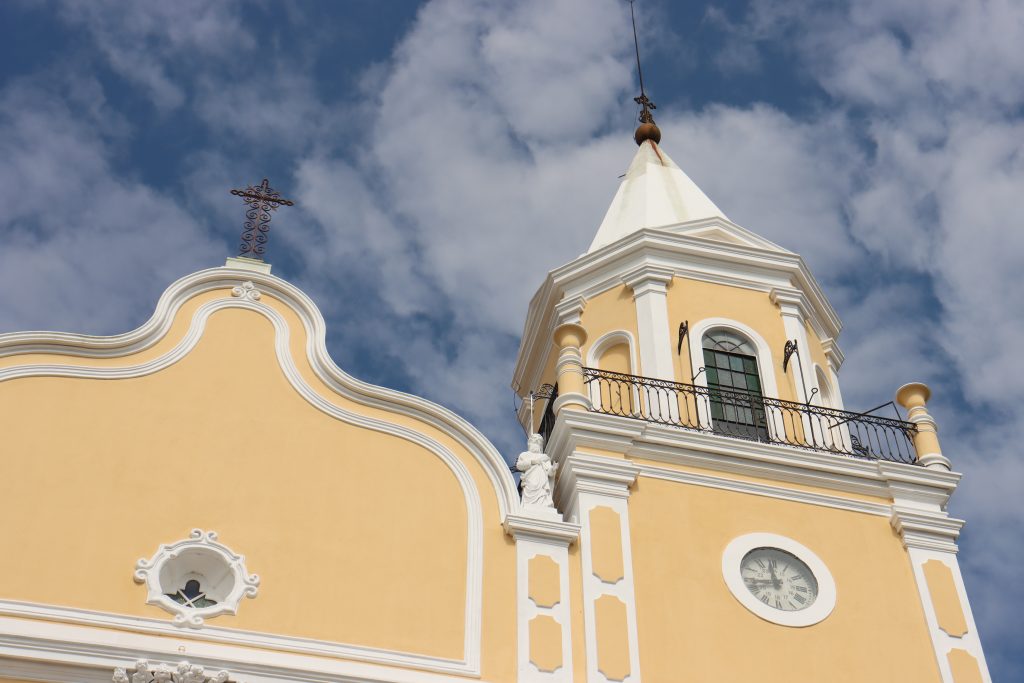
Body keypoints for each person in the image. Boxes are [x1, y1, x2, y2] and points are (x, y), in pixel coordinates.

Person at [516, 433, 556, 508]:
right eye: (534, 442)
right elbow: (519, 465)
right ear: (530, 443)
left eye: (538, 443)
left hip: (541, 481)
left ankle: (543, 505)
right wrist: (533, 462)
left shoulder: (545, 457)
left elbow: (549, 472)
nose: (536, 445)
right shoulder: (524, 455)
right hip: (529, 480)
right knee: (530, 492)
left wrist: (553, 469)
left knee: (542, 495)